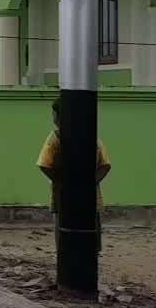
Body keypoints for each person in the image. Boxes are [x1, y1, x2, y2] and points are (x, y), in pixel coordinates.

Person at [37, 99, 111, 250]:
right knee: (90, 228)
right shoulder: (92, 136)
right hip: (89, 196)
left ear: (58, 116)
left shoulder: (54, 138)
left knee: (64, 228)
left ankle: (66, 254)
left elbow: (44, 165)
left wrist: (60, 181)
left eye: (54, 114)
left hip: (63, 195)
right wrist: (91, 184)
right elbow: (105, 165)